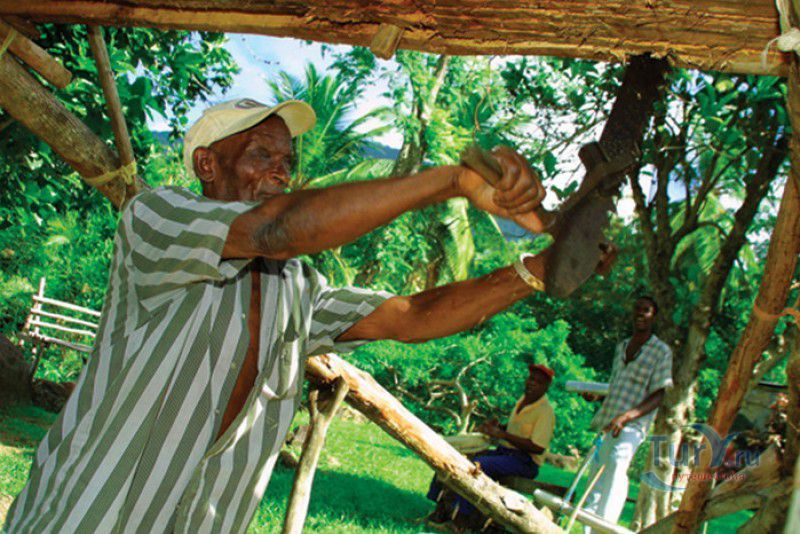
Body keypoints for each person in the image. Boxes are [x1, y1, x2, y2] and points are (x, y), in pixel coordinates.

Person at [4, 98, 616, 534]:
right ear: (206, 166)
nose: (279, 168)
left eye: (286, 159)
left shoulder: (296, 285)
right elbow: (274, 229)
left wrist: (535, 271)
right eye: (258, 152)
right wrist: (451, 181)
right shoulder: (154, 219)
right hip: (94, 512)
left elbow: (411, 315)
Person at [580, 296, 673, 532]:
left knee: (617, 463)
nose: (640, 314)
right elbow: (617, 385)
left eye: (647, 310)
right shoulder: (622, 346)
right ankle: (587, 527)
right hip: (609, 418)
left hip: (633, 424)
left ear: (655, 316)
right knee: (597, 470)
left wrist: (627, 416)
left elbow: (659, 394)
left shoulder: (661, 351)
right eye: (637, 310)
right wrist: (598, 397)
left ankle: (605, 525)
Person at [427, 363, 556, 531]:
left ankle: (461, 522)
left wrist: (502, 435)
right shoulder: (523, 401)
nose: (532, 383)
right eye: (531, 378)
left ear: (546, 387)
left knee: (479, 466)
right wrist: (497, 427)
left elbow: (538, 447)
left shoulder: (545, 411)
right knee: (459, 456)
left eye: (538, 382)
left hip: (525, 462)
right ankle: (441, 508)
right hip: (506, 453)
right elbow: (514, 431)